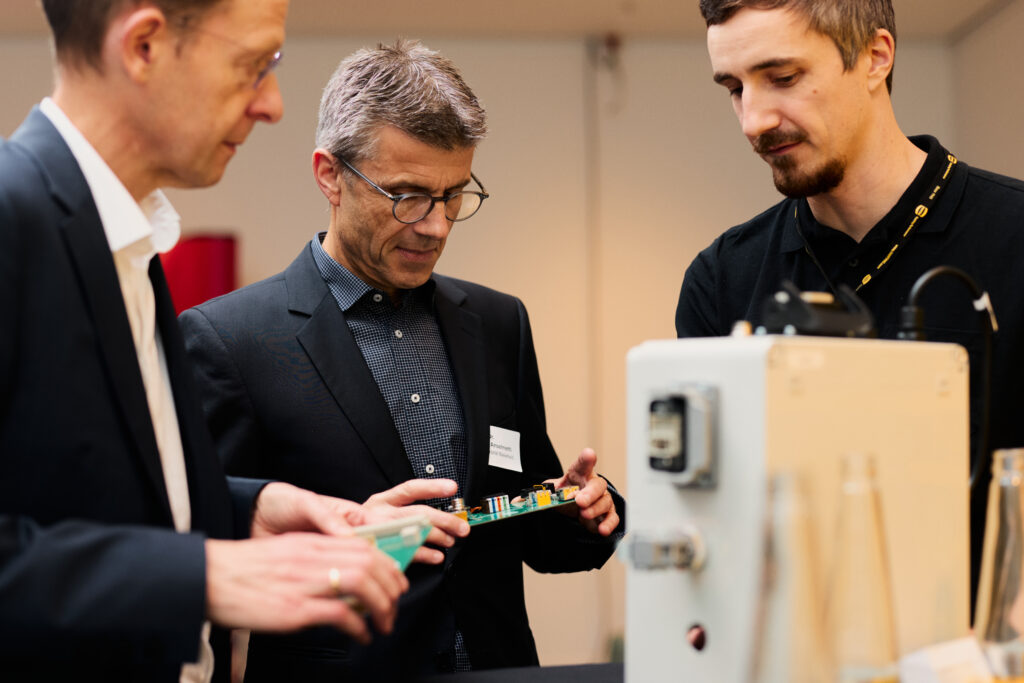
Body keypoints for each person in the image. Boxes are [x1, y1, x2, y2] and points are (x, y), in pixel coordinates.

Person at [0, 1, 438, 679]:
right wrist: (203, 574)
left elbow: (97, 495)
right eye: (253, 66)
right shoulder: (11, 219)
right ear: (145, 45)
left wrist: (249, 508)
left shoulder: (130, 247)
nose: (273, 104)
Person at [179, 39, 626, 680]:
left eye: (453, 196)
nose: (437, 226)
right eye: (408, 196)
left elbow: (532, 529)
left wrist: (586, 512)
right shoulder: (229, 340)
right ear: (329, 174)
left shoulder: (499, 324)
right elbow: (204, 550)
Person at [677, 0, 1024, 604]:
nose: (754, 121)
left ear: (874, 57)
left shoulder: (1014, 236)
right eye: (734, 89)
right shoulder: (722, 279)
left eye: (782, 78)